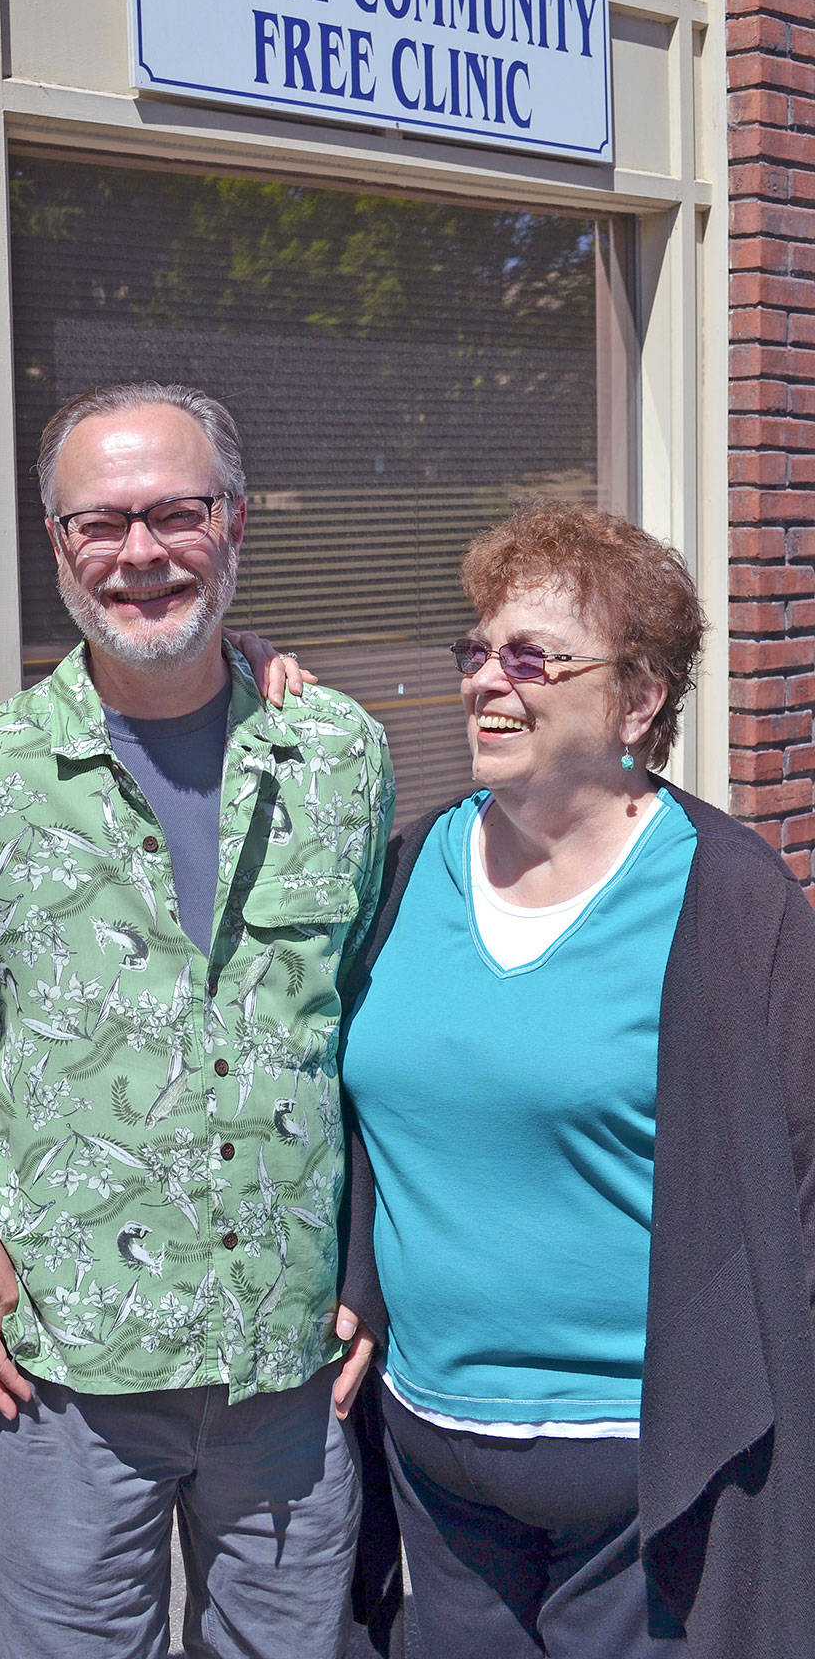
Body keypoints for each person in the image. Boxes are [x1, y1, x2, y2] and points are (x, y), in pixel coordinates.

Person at [0, 381, 392, 1659]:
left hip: (284, 1353)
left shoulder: (338, 753)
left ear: (232, 523)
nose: (139, 553)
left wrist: (364, 1266)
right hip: (66, 1353)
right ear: (55, 543)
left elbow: (361, 1025)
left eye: (176, 512)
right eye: (99, 523)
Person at [339, 499, 815, 1658]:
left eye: (530, 657)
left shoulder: (730, 900)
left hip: (638, 1470)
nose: (484, 683)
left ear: (635, 701)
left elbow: (790, 1193)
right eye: (475, 651)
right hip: (432, 1452)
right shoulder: (410, 864)